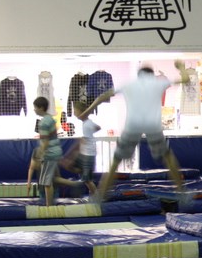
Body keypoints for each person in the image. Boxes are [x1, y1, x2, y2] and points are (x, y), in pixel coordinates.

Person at [80, 63, 190, 202]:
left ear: (139, 75)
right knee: (168, 157)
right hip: (153, 125)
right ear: (152, 75)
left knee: (116, 161)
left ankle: (100, 196)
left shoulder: (129, 84)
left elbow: (102, 96)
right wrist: (181, 67)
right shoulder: (158, 83)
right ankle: (182, 192)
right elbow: (186, 79)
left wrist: (87, 111)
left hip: (132, 125)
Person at [32, 96, 81, 206]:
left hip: (49, 154)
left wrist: (39, 156)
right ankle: (74, 184)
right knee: (51, 178)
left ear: (41, 108)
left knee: (46, 182)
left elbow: (45, 142)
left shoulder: (43, 122)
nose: (34, 110)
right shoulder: (50, 118)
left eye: (35, 107)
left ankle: (49, 206)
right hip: (56, 151)